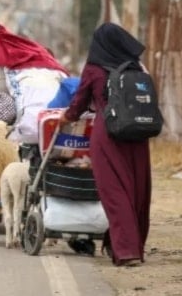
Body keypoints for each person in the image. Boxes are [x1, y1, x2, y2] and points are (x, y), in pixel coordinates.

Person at [61, 22, 152, 267]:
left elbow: (79, 103)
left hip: (108, 135)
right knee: (135, 191)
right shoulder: (136, 66)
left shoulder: (94, 68)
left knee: (114, 193)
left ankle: (126, 251)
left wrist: (65, 117)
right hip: (138, 136)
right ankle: (128, 245)